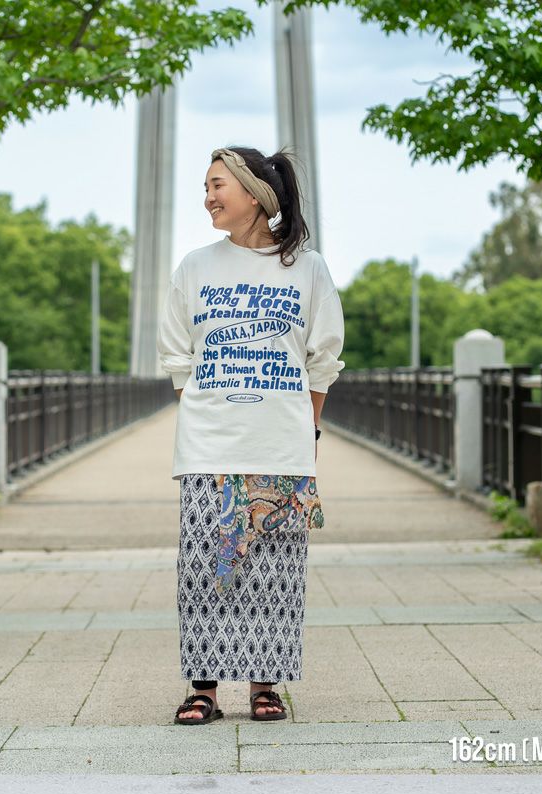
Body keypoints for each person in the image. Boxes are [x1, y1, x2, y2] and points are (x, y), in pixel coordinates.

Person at [156, 145, 345, 725]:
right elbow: (177, 356)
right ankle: (204, 690)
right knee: (205, 568)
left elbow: (322, 359)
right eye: (206, 187)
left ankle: (266, 686)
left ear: (255, 194)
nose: (208, 197)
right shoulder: (195, 267)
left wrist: (307, 428)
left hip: (282, 447)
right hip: (209, 447)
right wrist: (209, 416)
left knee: (274, 571)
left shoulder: (307, 270)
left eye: (218, 185)